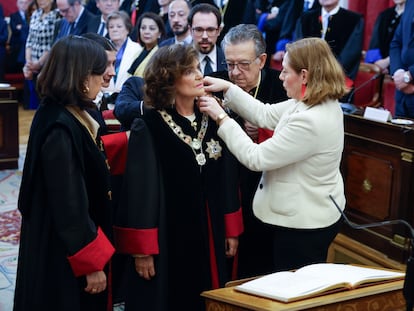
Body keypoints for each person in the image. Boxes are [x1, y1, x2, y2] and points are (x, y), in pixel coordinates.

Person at [199, 37, 346, 273]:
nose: (280, 77)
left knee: (293, 290)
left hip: (305, 225)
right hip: (309, 209)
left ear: (305, 76)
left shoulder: (311, 120)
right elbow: (264, 113)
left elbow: (256, 158)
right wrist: (228, 87)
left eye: (286, 71)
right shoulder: (315, 100)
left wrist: (221, 117)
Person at [113, 44, 243, 310]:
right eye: (189, 70)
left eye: (198, 68)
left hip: (209, 234)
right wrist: (142, 249)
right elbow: (140, 193)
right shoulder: (148, 126)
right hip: (167, 240)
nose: (199, 75)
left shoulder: (215, 119)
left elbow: (227, 179)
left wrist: (231, 230)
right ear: (169, 78)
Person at [13, 35, 115, 311]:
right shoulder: (60, 126)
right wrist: (91, 263)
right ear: (82, 76)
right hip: (63, 255)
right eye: (99, 71)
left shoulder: (70, 112)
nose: (105, 76)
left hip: (64, 245)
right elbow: (70, 204)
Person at [215, 23, 287, 279]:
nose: (234, 72)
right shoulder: (217, 80)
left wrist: (265, 133)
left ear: (262, 60)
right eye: (230, 64)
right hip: (222, 186)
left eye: (243, 64)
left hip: (264, 189)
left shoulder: (281, 91)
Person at [295, 0, 364, 83]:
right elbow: (299, 49)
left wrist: (327, 72)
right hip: (307, 78)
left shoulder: (354, 20)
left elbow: (350, 54)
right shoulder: (305, 18)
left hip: (336, 81)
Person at [24, 0, 60, 109]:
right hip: (33, 65)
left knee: (48, 101)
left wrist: (39, 63)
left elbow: (51, 44)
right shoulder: (35, 14)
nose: (41, 1)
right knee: (38, 100)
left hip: (48, 65)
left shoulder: (57, 15)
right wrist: (28, 64)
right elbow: (29, 41)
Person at [81, 32, 117, 135]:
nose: (113, 72)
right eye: (106, 64)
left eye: (114, 64)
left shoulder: (100, 97)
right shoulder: (75, 106)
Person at [103, 10, 142, 96]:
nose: (114, 30)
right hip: (105, 97)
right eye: (111, 27)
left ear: (127, 29)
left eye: (119, 26)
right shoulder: (102, 49)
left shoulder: (137, 49)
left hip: (127, 97)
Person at [365, 0, 405, 74]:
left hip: (401, 70)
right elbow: (375, 42)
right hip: (379, 68)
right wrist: (376, 64)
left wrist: (388, 62)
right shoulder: (384, 15)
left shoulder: (410, 17)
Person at [390, 0, 414, 118]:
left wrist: (410, 75)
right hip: (403, 96)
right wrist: (398, 72)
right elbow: (396, 43)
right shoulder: (410, 3)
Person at [188, 3, 226, 75]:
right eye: (199, 30)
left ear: (218, 31)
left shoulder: (228, 60)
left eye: (210, 30)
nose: (204, 36)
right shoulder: (179, 61)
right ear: (190, 30)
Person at [128, 12, 166, 78]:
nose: (146, 32)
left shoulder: (161, 55)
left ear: (160, 33)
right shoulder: (137, 52)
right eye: (143, 28)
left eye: (152, 28)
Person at [9, 0, 30, 73]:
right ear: (17, 4)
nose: (23, 5)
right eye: (21, 2)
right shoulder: (13, 15)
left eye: (26, 3)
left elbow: (31, 29)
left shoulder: (32, 15)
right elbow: (15, 30)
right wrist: (26, 27)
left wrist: (21, 27)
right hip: (17, 44)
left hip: (28, 43)